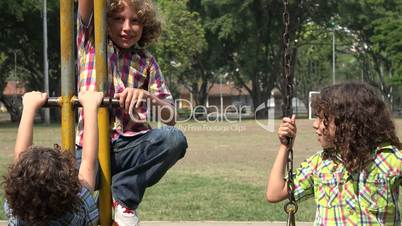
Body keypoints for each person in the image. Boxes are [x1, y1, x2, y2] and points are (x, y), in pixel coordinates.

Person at [76, 0, 188, 225]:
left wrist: (147, 96)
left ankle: (122, 195)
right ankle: (89, 214)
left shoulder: (146, 62)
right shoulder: (90, 42)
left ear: (145, 25)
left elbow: (171, 116)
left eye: (135, 21)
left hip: (131, 148)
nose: (126, 27)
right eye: (118, 19)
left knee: (174, 139)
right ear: (105, 21)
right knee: (55, 176)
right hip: (89, 150)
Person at [266, 82, 401, 225]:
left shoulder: (388, 160)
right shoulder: (319, 164)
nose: (315, 124)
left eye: (322, 119)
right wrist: (285, 146)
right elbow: (275, 192)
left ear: (348, 123)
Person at [3, 91, 103, 225]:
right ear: (66, 186)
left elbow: (19, 160)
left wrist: (29, 107)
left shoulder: (16, 213)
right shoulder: (76, 214)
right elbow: (88, 162)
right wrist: (91, 107)